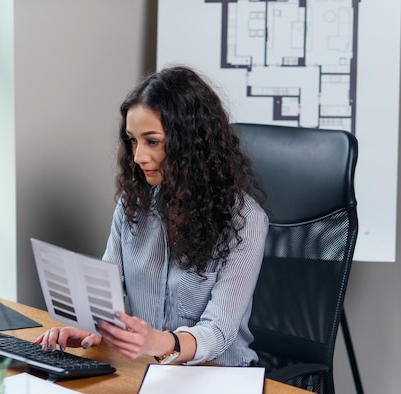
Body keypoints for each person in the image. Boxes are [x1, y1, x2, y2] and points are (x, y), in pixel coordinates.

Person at [35, 65, 268, 367]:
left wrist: (160, 342)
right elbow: (107, 292)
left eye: (152, 141)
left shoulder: (244, 221)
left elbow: (219, 330)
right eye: (133, 140)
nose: (138, 156)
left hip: (219, 376)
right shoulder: (133, 206)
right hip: (148, 370)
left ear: (191, 143)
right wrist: (91, 324)